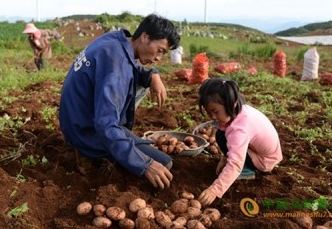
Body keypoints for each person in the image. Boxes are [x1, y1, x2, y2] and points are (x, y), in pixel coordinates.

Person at [59, 14, 180, 189]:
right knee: (164, 163)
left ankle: (117, 138)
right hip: (85, 130)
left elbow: (133, 65)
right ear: (145, 37)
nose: (159, 58)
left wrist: (152, 74)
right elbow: (105, 125)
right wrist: (145, 165)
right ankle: (90, 155)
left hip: (75, 117)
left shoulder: (116, 40)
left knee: (142, 81)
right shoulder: (118, 68)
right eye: (160, 50)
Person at [197, 78, 283, 206]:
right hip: (263, 151)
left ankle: (246, 170)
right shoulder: (239, 109)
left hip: (264, 161)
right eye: (209, 113)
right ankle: (240, 162)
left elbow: (235, 164)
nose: (213, 117)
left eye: (215, 112)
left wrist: (214, 191)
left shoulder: (239, 130)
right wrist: (224, 158)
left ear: (231, 104)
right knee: (221, 134)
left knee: (223, 138)